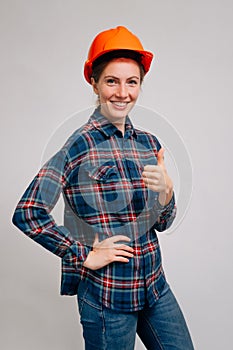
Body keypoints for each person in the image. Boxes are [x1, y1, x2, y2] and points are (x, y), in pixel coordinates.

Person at [12, 26, 194, 349]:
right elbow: (28, 211)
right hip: (108, 297)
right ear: (94, 83)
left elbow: (162, 222)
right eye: (112, 81)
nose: (122, 93)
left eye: (132, 82)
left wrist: (166, 195)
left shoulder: (148, 144)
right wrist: (82, 255)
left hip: (154, 287)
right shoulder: (78, 146)